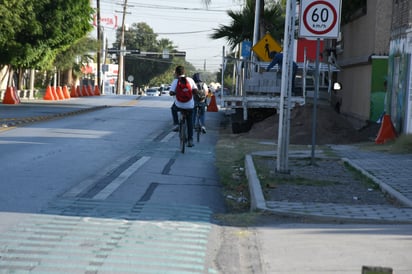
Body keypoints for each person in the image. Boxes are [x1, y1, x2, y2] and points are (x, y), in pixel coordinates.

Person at [169, 65, 198, 147]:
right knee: (190, 121)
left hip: (178, 104)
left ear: (176, 73)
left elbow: (171, 92)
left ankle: (176, 124)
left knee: (173, 108)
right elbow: (195, 91)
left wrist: (175, 93)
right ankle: (190, 140)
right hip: (189, 105)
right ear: (184, 72)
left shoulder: (175, 81)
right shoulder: (190, 80)